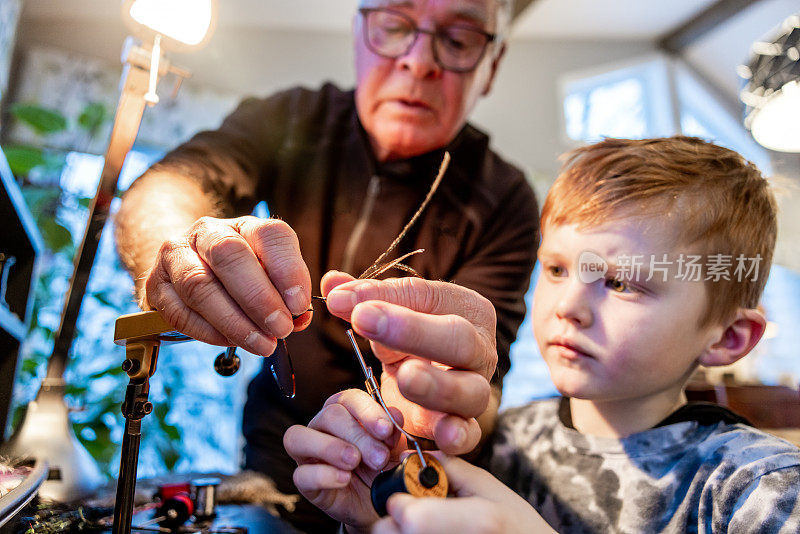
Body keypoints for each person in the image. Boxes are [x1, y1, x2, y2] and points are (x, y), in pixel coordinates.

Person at [114, 0, 538, 530]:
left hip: (408, 487)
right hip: (274, 465)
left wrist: (445, 403)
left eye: (458, 39)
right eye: (396, 25)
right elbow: (166, 186)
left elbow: (484, 377)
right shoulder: (290, 121)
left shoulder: (505, 200)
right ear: (359, 30)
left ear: (491, 66)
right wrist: (178, 249)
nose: (418, 61)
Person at [286, 137, 800, 533]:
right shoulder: (503, 444)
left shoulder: (762, 490)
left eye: (620, 282)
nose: (569, 306)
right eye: (556, 269)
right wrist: (381, 513)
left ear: (727, 338)